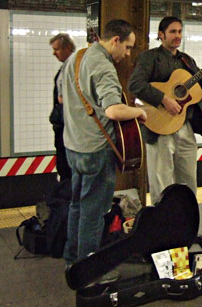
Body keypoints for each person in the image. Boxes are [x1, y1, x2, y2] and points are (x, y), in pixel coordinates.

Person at [61, 19, 147, 265]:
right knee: (93, 213)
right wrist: (138, 113)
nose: (128, 54)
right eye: (128, 47)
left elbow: (62, 98)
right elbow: (113, 111)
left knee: (77, 205)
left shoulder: (76, 59)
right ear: (115, 40)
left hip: (73, 146)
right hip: (96, 150)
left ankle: (72, 259)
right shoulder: (104, 66)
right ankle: (88, 270)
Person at [128, 16, 202, 204]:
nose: (178, 36)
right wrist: (164, 99)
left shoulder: (186, 60)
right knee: (162, 182)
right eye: (173, 32)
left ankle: (186, 220)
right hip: (158, 129)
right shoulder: (149, 58)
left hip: (185, 127)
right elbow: (135, 84)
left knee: (188, 180)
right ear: (161, 35)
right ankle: (161, 224)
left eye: (180, 31)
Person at [49, 33, 75, 181]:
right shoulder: (65, 66)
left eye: (57, 49)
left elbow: (65, 98)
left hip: (67, 125)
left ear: (68, 48)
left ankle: (66, 200)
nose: (54, 53)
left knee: (65, 165)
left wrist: (62, 100)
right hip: (62, 122)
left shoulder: (70, 67)